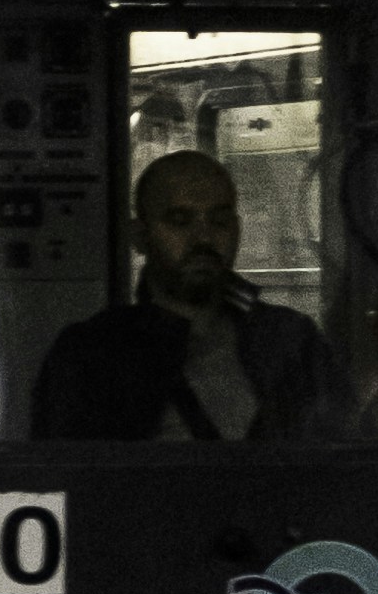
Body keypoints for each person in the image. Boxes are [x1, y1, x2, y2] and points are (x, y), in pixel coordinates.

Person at [31, 152, 340, 441]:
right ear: (140, 236)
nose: (204, 237)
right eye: (180, 221)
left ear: (236, 228)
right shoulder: (91, 355)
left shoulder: (292, 339)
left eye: (219, 221)